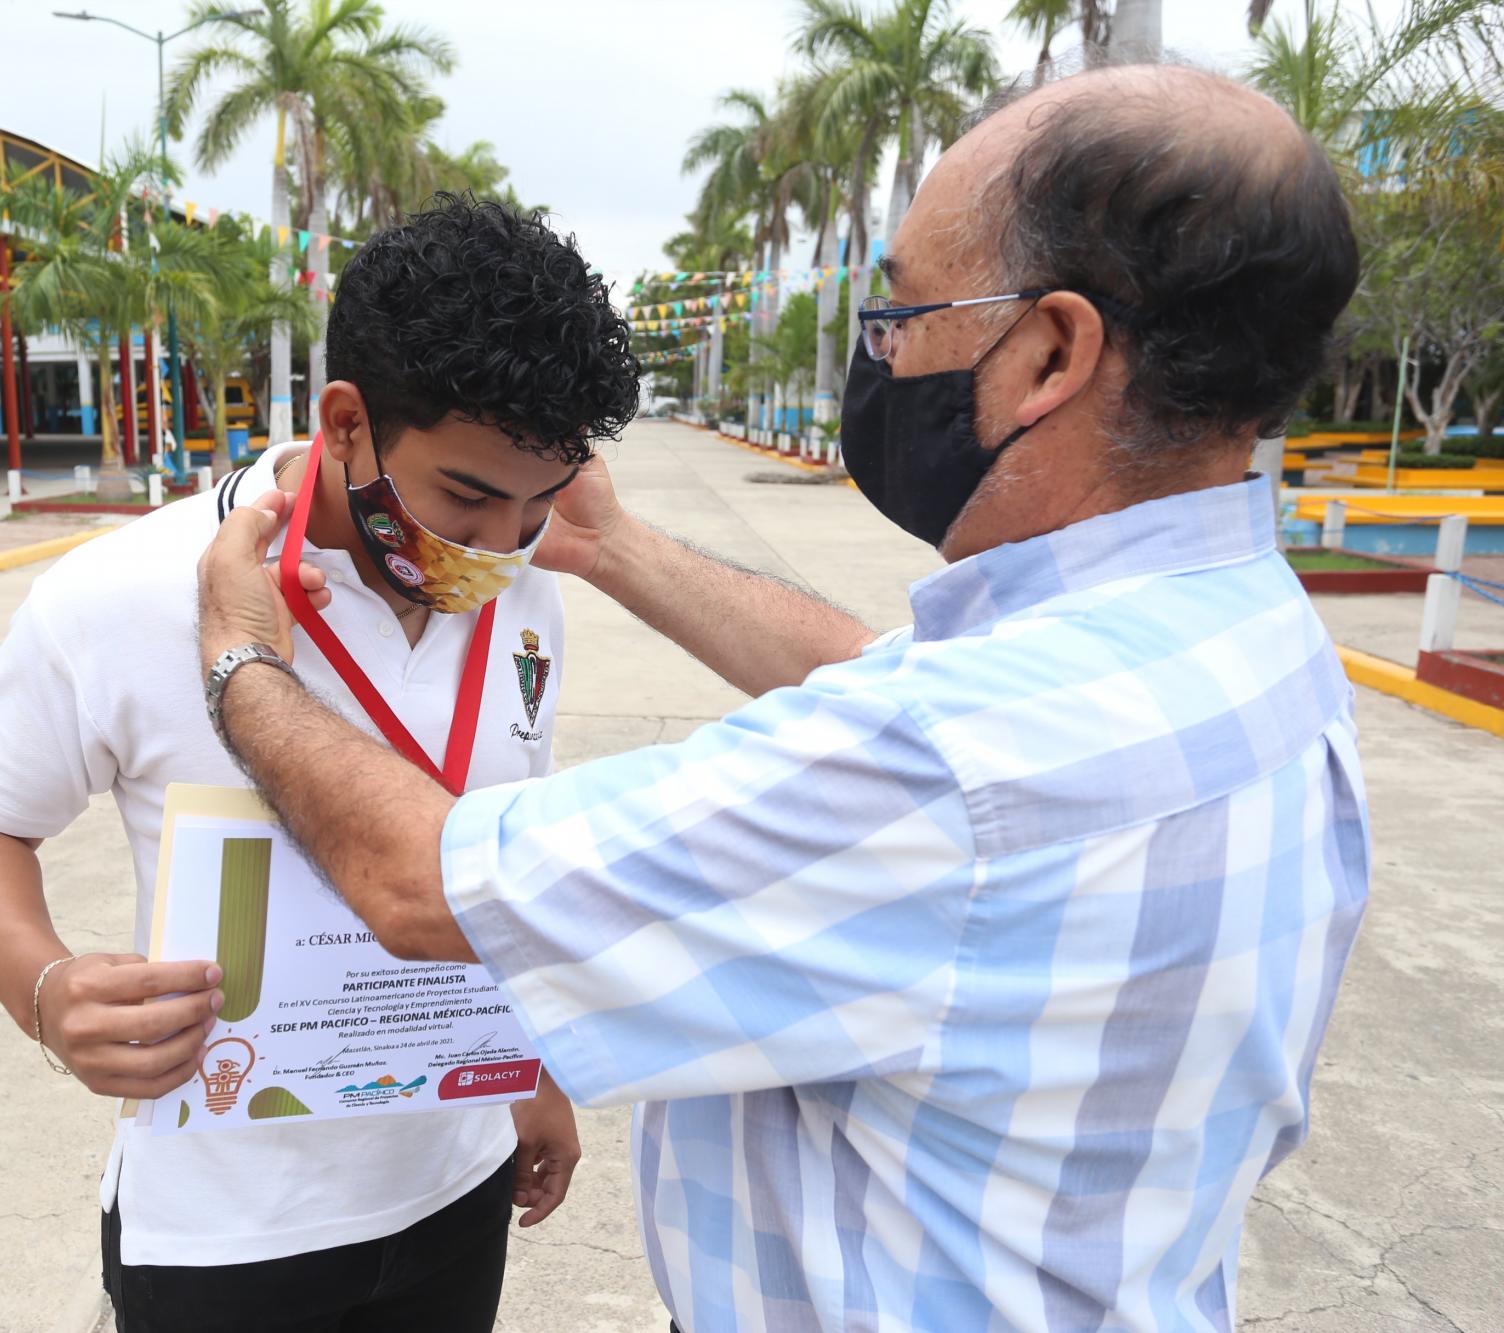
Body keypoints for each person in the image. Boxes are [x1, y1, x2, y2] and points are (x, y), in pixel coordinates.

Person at [192, 64, 1368, 1332]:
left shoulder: (949, 762)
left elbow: (421, 885)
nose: (881, 353)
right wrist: (613, 549)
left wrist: (243, 664)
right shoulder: (1243, 640)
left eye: (906, 312)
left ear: (1046, 351)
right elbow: (898, 687)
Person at [0, 194, 639, 1332]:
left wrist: (529, 1072)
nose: (498, 548)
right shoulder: (126, 592)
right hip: (228, 1231)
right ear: (345, 422)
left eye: (538, 504)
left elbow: (500, 844)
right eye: (467, 497)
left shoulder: (521, 588)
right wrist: (42, 988)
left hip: (455, 1177)